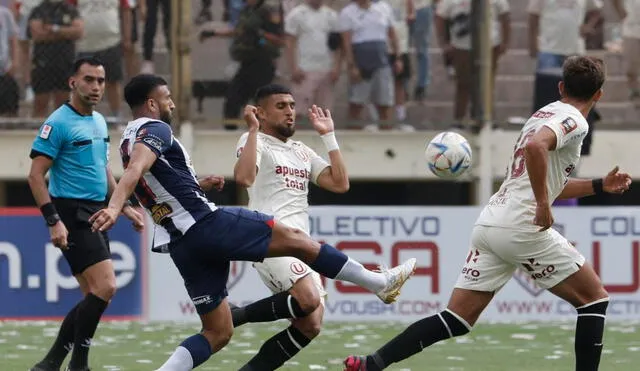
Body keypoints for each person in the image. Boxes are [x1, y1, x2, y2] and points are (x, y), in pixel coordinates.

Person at [88, 74, 417, 371]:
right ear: (151, 103)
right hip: (206, 224)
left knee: (218, 332)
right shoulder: (157, 128)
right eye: (167, 97)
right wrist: (116, 206)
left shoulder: (128, 139)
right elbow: (135, 174)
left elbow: (154, 184)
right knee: (298, 241)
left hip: (182, 244)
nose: (172, 102)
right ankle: (378, 283)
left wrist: (197, 184)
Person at [343, 56, 633, 371]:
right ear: (599, 94)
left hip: (492, 222)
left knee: (457, 317)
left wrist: (600, 185)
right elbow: (537, 150)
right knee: (593, 299)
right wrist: (542, 205)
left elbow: (548, 181)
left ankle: (372, 363)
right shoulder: (574, 120)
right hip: (521, 226)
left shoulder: (542, 113)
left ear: (561, 86)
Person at [27, 57, 145, 371]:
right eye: (89, 80)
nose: (95, 87)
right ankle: (78, 364)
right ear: (73, 82)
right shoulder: (58, 122)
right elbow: (35, 176)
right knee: (106, 287)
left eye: (100, 81)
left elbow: (102, 168)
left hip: (97, 211)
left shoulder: (99, 122)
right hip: (71, 212)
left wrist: (125, 205)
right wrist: (54, 221)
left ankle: (50, 363)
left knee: (94, 295)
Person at [231, 84, 349, 370]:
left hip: (301, 243)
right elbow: (244, 178)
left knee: (311, 323)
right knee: (307, 299)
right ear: (261, 112)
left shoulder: (301, 151)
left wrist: (329, 136)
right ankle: (236, 316)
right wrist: (254, 131)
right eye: (281, 106)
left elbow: (339, 183)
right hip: (269, 238)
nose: (290, 112)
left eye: (292, 106)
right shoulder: (252, 139)